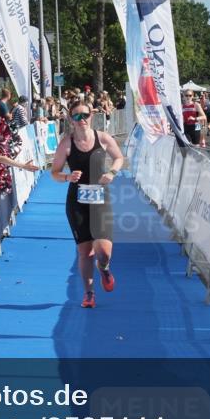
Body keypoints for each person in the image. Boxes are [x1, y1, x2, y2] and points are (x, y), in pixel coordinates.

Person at [50, 101, 125, 309]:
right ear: (71, 120)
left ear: (92, 115)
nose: (81, 119)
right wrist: (67, 177)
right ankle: (89, 293)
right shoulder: (66, 143)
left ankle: (105, 269)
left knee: (103, 252)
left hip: (101, 200)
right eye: (76, 116)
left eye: (85, 114)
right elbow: (54, 173)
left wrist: (111, 172)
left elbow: (119, 158)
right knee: (85, 252)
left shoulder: (103, 138)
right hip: (77, 202)